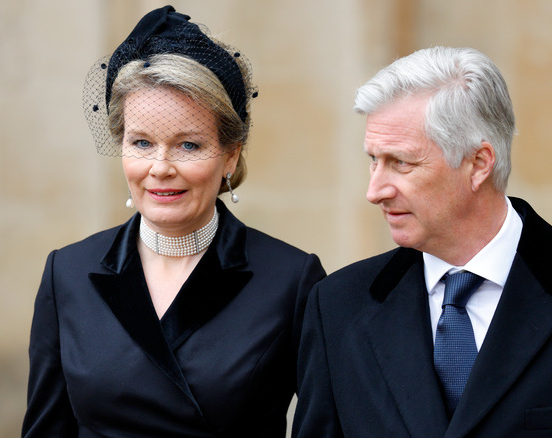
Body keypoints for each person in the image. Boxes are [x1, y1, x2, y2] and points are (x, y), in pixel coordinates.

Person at [293, 46, 552, 437]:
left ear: (478, 164)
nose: (375, 190)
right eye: (373, 161)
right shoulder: (336, 307)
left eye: (400, 163)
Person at [22, 6, 325, 437]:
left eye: (188, 145)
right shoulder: (66, 273)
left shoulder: (292, 281)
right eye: (142, 142)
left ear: (230, 155)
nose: (160, 168)